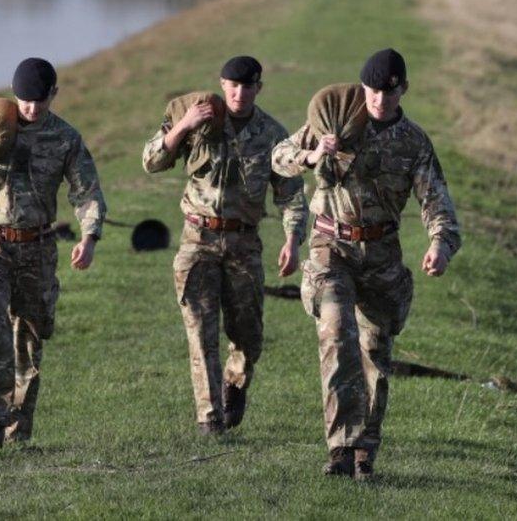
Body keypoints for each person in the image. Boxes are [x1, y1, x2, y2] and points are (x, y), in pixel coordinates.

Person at [272, 48, 461, 480]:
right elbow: (277, 158)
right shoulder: (337, 120)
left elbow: (438, 206)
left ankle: (364, 452)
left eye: (389, 94)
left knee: (375, 354)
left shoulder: (414, 143)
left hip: (380, 256)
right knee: (337, 333)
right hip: (330, 246)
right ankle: (338, 447)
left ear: (403, 91)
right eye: (373, 91)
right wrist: (313, 155)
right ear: (363, 88)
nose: (379, 100)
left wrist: (439, 247)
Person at [0, 57, 107, 448]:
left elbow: (86, 191)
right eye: (24, 100)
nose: (30, 109)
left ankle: (18, 430)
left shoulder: (65, 138)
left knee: (29, 342)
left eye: (39, 100)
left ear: (54, 95)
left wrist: (89, 236)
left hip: (37, 247)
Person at [142, 55, 308, 435]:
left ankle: (235, 384)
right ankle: (209, 417)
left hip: (244, 243)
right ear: (222, 85)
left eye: (247, 86)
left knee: (247, 335)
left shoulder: (271, 134)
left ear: (258, 89)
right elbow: (151, 161)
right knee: (201, 331)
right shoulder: (199, 120)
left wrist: (293, 239)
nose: (239, 93)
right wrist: (184, 126)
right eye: (232, 86)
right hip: (197, 239)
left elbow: (290, 194)